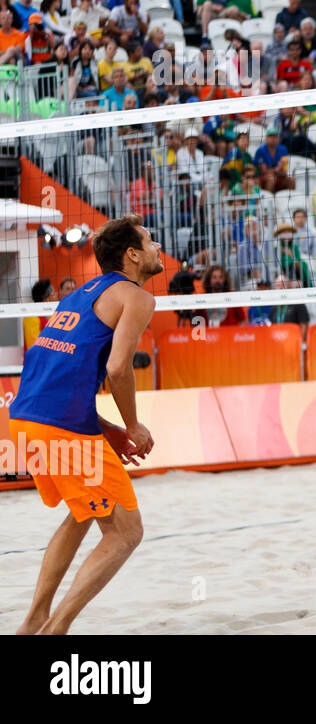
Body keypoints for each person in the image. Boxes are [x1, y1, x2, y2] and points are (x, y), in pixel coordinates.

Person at [8, 216, 160, 634]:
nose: (157, 246)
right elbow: (118, 369)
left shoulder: (76, 297)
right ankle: (55, 629)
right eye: (150, 241)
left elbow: (63, 374)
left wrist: (108, 429)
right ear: (132, 254)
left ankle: (34, 620)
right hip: (62, 425)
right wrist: (133, 426)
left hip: (25, 417)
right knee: (126, 533)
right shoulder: (137, 298)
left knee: (82, 515)